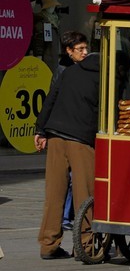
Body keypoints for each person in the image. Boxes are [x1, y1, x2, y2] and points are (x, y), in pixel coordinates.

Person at [34, 30, 100, 259]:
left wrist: (41, 129)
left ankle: (48, 244)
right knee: (85, 193)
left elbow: (51, 99)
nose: (83, 52)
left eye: (85, 48)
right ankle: (86, 245)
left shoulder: (66, 73)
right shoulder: (101, 74)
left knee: (54, 193)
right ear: (70, 51)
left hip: (56, 136)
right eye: (79, 49)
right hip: (80, 138)